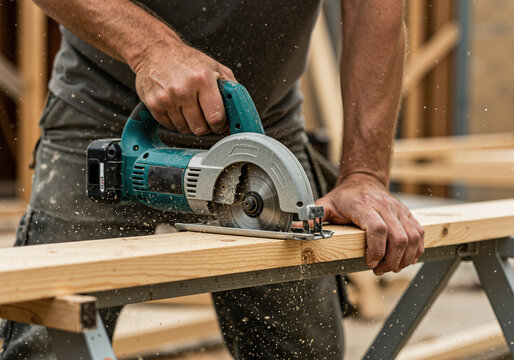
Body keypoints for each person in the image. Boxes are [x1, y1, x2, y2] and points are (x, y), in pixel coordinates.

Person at [0, 0, 424, 359]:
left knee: (301, 349)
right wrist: (150, 49)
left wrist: (364, 173)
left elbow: (376, 8)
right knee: (48, 343)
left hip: (262, 132)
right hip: (103, 113)